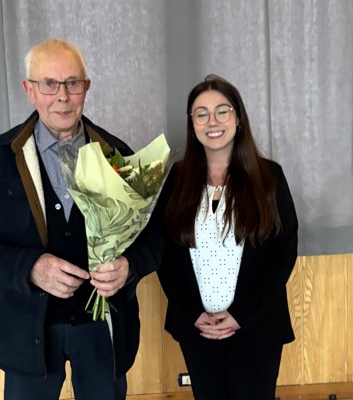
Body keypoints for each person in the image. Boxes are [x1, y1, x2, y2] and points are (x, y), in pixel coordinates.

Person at [0, 38, 142, 400]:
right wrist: (30, 268)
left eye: (72, 83)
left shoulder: (118, 156)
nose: (62, 96)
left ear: (86, 87)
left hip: (103, 330)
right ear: (29, 90)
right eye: (49, 84)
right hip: (24, 333)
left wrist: (130, 266)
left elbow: (154, 239)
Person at [95, 74, 299, 399]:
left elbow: (283, 252)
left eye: (222, 111)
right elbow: (165, 255)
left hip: (256, 326)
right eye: (201, 114)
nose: (212, 121)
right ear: (192, 124)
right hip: (198, 328)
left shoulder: (268, 177)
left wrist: (242, 315)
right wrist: (193, 313)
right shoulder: (176, 179)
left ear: (238, 118)